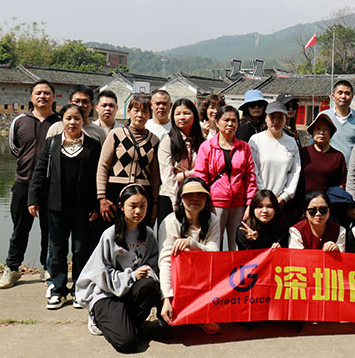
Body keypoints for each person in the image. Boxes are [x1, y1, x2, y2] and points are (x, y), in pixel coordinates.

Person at [27, 103, 101, 309]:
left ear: (83, 121)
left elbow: (98, 177)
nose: (72, 122)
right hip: (55, 206)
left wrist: (96, 204)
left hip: (82, 208)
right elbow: (39, 171)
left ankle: (79, 289)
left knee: (80, 249)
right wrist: (33, 199)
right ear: (62, 121)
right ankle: (58, 290)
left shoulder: (93, 145)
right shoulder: (52, 143)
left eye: (77, 118)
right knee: (56, 249)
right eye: (68, 118)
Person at [74, 184, 161, 353]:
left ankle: (126, 322)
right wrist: (132, 276)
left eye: (142, 206)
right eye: (133, 206)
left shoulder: (149, 234)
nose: (138, 211)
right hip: (106, 292)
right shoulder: (110, 235)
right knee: (127, 342)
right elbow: (101, 274)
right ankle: (98, 318)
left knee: (149, 285)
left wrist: (146, 273)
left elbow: (153, 266)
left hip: (130, 290)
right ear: (121, 206)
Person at [0, 80, 60, 290]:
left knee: (49, 231)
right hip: (23, 183)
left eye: (47, 93)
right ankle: (12, 268)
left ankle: (48, 267)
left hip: (51, 186)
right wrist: (28, 163)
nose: (42, 96)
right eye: (38, 93)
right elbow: (14, 148)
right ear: (31, 96)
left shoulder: (59, 123)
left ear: (54, 97)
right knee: (19, 230)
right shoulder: (20, 121)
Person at [158, 178, 220, 334]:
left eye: (200, 194)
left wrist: (192, 244)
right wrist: (167, 298)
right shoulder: (170, 222)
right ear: (181, 198)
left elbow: (214, 254)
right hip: (178, 279)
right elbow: (165, 261)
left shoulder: (212, 220)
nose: (195, 198)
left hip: (202, 277)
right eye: (189, 194)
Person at [194, 105, 257, 250]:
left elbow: (250, 177)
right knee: (214, 242)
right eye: (226, 120)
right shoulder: (207, 146)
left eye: (234, 121)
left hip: (239, 203)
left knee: (237, 244)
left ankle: (235, 266)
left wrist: (249, 204)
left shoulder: (244, 147)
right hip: (215, 202)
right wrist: (204, 201)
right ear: (217, 122)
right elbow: (201, 176)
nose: (230, 124)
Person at [96, 97, 161, 236]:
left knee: (138, 235)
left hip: (142, 193)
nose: (140, 115)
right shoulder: (116, 134)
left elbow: (155, 174)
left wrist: (155, 201)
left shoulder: (154, 140)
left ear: (149, 114)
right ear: (129, 111)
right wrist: (102, 198)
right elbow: (103, 166)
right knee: (113, 234)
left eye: (144, 111)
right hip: (115, 192)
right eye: (136, 110)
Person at [157, 99, 204, 224]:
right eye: (177, 114)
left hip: (194, 194)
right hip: (170, 196)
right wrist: (175, 200)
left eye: (186, 113)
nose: (182, 117)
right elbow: (167, 175)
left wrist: (183, 175)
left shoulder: (202, 141)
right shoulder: (168, 140)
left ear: (194, 115)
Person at [249, 101, 301, 209]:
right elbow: (253, 170)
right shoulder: (256, 141)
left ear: (285, 119)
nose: (276, 121)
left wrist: (285, 196)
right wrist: (264, 194)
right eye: (272, 117)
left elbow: (295, 171)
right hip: (259, 200)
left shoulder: (291, 142)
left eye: (280, 117)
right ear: (266, 118)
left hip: (282, 202)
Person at [296, 112, 346, 215]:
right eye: (318, 129)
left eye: (326, 130)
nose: (321, 132)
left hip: (328, 207)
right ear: (313, 132)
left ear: (331, 134)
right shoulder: (303, 153)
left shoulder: (337, 156)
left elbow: (342, 182)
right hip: (303, 205)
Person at [321, 80, 355, 165]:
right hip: (326, 167)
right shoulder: (324, 116)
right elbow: (314, 144)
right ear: (333, 96)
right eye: (340, 93)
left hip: (351, 168)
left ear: (352, 96)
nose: (343, 96)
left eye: (347, 93)